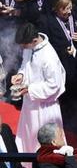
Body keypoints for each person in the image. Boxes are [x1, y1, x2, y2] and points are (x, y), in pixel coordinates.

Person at [11, 22, 66, 152]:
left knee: (42, 137)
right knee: (29, 132)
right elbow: (26, 64)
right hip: (31, 100)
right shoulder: (31, 47)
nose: (23, 48)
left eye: (25, 45)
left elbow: (54, 85)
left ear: (34, 40)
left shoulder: (49, 57)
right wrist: (20, 74)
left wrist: (29, 89)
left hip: (45, 105)